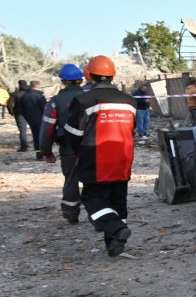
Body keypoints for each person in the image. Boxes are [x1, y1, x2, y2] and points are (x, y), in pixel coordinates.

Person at [63, 56, 136, 256]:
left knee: (92, 199)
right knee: (118, 201)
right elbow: (132, 130)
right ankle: (114, 244)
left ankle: (117, 229)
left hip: (95, 158)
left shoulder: (84, 100)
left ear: (89, 75)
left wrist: (78, 153)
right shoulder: (129, 101)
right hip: (123, 158)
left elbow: (73, 133)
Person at [38, 64, 87, 222]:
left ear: (62, 81)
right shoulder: (91, 97)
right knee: (92, 180)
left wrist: (46, 152)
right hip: (91, 147)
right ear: (81, 80)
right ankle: (98, 217)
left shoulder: (55, 101)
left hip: (69, 148)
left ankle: (71, 215)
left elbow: (47, 129)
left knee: (71, 181)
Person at [20, 81, 47, 156]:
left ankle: (38, 154)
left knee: (35, 137)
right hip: (41, 119)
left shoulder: (24, 96)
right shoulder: (40, 96)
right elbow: (45, 109)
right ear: (38, 86)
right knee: (41, 137)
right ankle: (42, 153)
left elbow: (21, 110)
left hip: (31, 120)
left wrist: (27, 118)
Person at [11, 80, 30, 150]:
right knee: (35, 130)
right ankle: (38, 145)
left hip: (19, 114)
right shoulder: (30, 93)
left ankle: (24, 146)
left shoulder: (15, 94)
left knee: (22, 130)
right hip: (31, 113)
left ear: (19, 85)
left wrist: (11, 112)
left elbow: (9, 104)